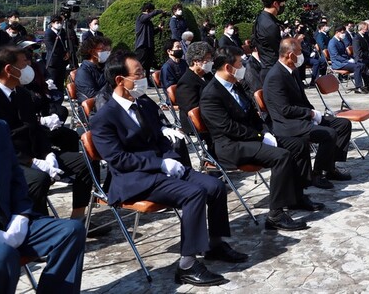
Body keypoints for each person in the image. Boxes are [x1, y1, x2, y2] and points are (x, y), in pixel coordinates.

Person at [90, 53, 245, 286]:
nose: (143, 79)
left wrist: (172, 161)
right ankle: (187, 265)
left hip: (161, 169)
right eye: (139, 74)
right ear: (120, 80)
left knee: (214, 186)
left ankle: (215, 244)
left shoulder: (144, 104)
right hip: (135, 178)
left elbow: (162, 139)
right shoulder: (104, 117)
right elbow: (119, 159)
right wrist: (160, 164)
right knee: (193, 194)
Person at [0, 61, 86, 294]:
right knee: (2, 256)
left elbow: (16, 178)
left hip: (7, 221)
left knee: (71, 231)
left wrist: (21, 215)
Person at [198, 49, 310, 231]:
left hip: (251, 138)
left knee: (299, 144)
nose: (242, 68)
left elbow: (254, 115)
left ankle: (297, 196)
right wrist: (259, 136)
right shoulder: (211, 95)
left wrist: (265, 132)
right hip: (231, 146)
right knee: (281, 156)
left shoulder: (236, 85)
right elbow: (228, 128)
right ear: (228, 67)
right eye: (239, 65)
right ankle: (276, 215)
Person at [0, 47, 92, 219]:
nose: (29, 66)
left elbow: (34, 128)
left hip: (36, 153)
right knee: (38, 179)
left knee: (85, 162)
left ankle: (79, 218)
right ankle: (37, 223)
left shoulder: (21, 93)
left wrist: (48, 153)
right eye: (24, 63)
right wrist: (31, 162)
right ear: (9, 69)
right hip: (10, 159)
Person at [264, 38, 352, 190]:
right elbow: (284, 110)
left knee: (343, 124)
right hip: (288, 124)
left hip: (301, 117)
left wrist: (313, 114)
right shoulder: (275, 77)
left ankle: (329, 167)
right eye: (299, 53)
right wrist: (310, 114)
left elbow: (302, 100)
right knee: (328, 134)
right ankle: (317, 174)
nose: (302, 55)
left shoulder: (292, 71)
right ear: (290, 55)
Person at [175, 42, 215, 142]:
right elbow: (193, 108)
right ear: (196, 61)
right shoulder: (186, 82)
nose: (211, 62)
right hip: (204, 123)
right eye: (208, 60)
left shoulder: (208, 75)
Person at [253, 0, 288, 76]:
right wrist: (294, 42)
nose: (283, 6)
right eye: (282, 3)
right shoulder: (269, 24)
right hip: (272, 68)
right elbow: (278, 49)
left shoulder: (262, 17)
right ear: (275, 4)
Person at [327, 25, 367, 93]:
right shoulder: (332, 42)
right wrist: (347, 60)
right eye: (342, 32)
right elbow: (336, 56)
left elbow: (345, 53)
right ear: (337, 32)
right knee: (357, 67)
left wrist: (351, 58)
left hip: (344, 61)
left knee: (362, 64)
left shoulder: (340, 41)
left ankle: (367, 84)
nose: (343, 34)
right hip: (338, 63)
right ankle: (358, 87)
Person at [74, 35, 112, 104]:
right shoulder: (83, 72)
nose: (106, 53)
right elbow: (91, 95)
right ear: (92, 52)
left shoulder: (103, 67)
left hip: (108, 103)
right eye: (102, 50)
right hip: (95, 109)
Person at [135, 2, 165, 76]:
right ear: (147, 10)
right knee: (140, 63)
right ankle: (138, 78)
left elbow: (151, 33)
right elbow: (148, 16)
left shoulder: (148, 22)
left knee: (148, 65)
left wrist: (158, 29)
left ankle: (147, 79)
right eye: (151, 11)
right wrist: (158, 11)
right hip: (142, 45)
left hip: (149, 45)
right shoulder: (141, 17)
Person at [42, 14, 69, 89]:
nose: (59, 24)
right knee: (53, 82)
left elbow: (65, 43)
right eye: (57, 22)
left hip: (62, 62)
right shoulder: (48, 33)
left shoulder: (62, 32)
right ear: (52, 23)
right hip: (53, 62)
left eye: (60, 22)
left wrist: (67, 52)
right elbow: (51, 48)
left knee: (60, 83)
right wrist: (63, 54)